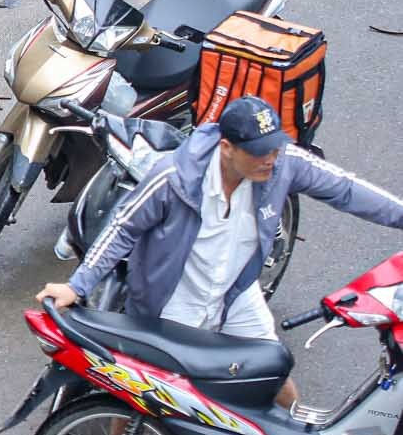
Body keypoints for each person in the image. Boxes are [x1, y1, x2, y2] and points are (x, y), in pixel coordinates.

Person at [38, 96, 403, 409]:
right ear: (226, 148)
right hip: (171, 305)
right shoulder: (173, 179)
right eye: (260, 153)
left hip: (235, 294)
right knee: (147, 399)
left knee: (273, 374)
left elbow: (346, 189)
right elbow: (122, 228)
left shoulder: (282, 164)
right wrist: (77, 286)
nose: (271, 160)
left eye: (275, 149)